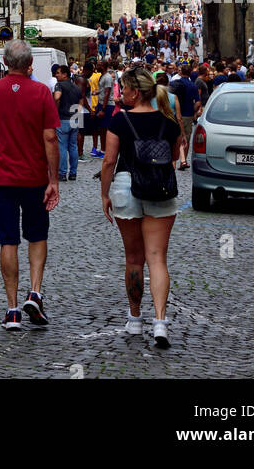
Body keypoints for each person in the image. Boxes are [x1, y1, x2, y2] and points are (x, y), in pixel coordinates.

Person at [0, 40, 60, 330]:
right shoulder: (41, 92)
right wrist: (53, 179)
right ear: (30, 62)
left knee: (7, 240)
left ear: (6, 62)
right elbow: (50, 138)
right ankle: (34, 291)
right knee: (37, 236)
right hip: (34, 177)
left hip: (1, 178)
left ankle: (12, 310)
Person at [101, 65, 182, 348]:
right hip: (160, 188)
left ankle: (135, 319)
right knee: (158, 259)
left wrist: (104, 194)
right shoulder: (169, 121)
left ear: (135, 92)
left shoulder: (120, 121)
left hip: (126, 186)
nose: (121, 93)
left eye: (124, 88)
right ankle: (160, 322)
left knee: (134, 259)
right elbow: (174, 154)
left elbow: (109, 161)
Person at [53, 64, 82, 182]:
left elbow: (57, 97)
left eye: (58, 73)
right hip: (74, 118)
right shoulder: (76, 87)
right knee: (73, 146)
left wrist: (55, 108)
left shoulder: (59, 85)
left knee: (62, 146)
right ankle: (73, 173)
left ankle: (62, 173)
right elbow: (81, 102)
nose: (56, 75)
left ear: (65, 74)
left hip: (63, 118)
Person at [171, 63, 199, 170]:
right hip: (187, 114)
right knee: (186, 137)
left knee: (173, 136)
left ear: (180, 72)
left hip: (174, 112)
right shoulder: (193, 86)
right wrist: (193, 111)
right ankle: (184, 160)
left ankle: (173, 159)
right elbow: (197, 103)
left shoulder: (174, 83)